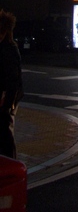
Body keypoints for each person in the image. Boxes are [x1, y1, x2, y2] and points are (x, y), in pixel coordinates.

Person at [0, 9, 23, 158]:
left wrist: (8, 105)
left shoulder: (9, 50)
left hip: (6, 99)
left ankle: (11, 163)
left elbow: (13, 81)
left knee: (5, 131)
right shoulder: (8, 48)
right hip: (6, 97)